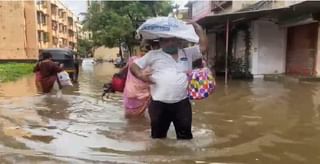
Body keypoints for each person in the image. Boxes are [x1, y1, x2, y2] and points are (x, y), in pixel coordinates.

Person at [130, 22, 208, 139]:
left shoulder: (188, 52)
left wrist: (199, 28)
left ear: (178, 41)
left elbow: (204, 47)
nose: (170, 43)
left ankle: (183, 158)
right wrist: (140, 74)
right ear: (160, 42)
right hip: (159, 104)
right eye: (166, 40)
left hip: (182, 103)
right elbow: (134, 66)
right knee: (158, 138)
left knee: (185, 138)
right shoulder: (153, 55)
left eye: (172, 40)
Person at [123, 43, 154, 118]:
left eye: (145, 51)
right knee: (139, 116)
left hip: (131, 91)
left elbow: (124, 70)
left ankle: (134, 128)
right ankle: (139, 128)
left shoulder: (132, 59)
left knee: (130, 116)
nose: (143, 53)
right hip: (142, 94)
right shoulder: (150, 63)